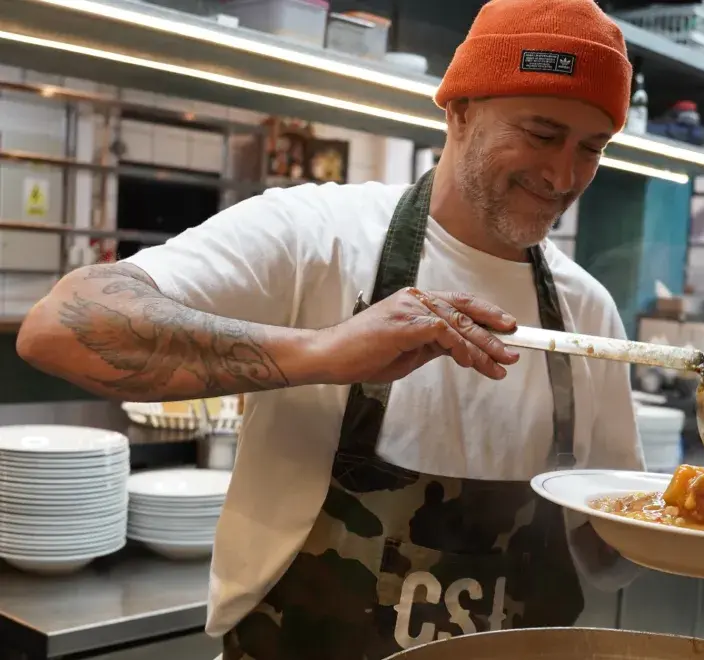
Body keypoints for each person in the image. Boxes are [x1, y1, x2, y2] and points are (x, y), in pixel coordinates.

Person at [15, 1, 645, 658]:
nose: (563, 176)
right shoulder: (317, 237)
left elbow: (606, 556)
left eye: (591, 149)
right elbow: (59, 327)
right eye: (542, 135)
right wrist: (326, 351)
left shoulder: (587, 314)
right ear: (460, 110)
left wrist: (693, 526)